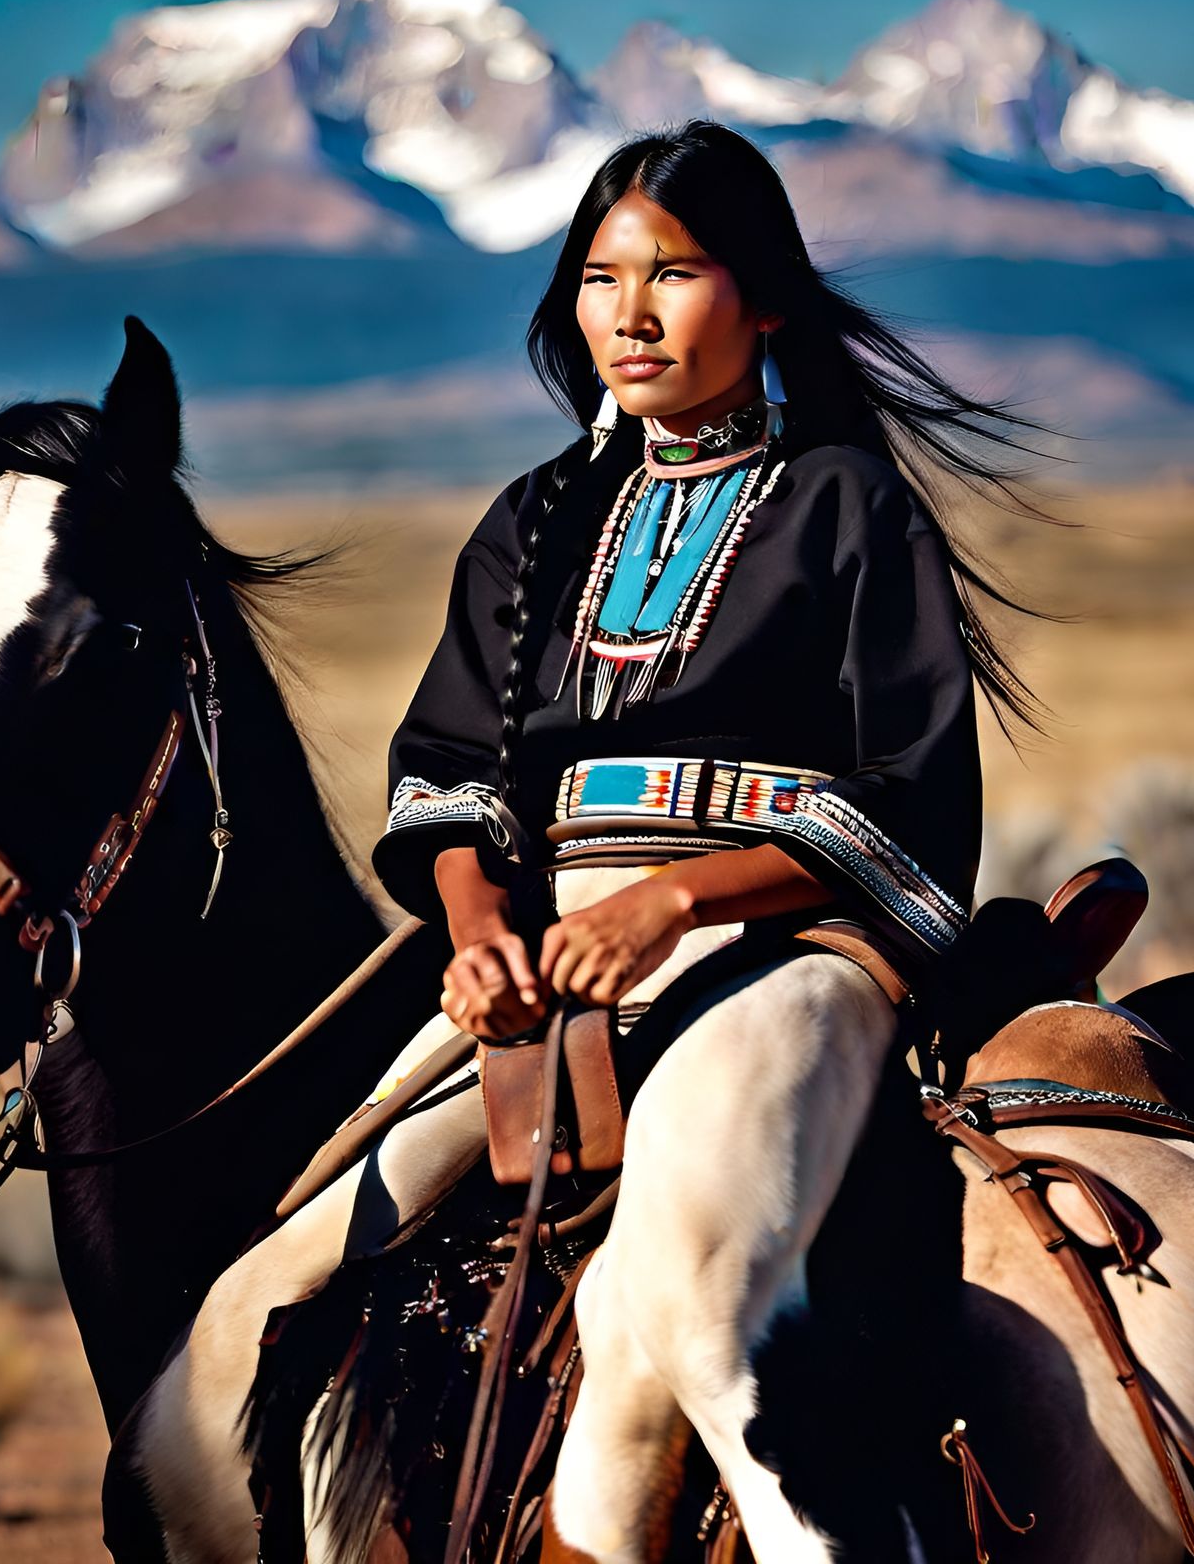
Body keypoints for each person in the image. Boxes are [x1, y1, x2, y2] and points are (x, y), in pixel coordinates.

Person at [137, 120, 1048, 1563]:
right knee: (265, 1295)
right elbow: (449, 778)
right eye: (599, 277)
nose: (629, 314)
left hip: (790, 950)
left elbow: (908, 799)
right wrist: (483, 934)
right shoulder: (534, 523)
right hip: (548, 968)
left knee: (680, 1298)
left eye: (674, 274)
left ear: (766, 303)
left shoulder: (845, 505)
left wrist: (672, 902)